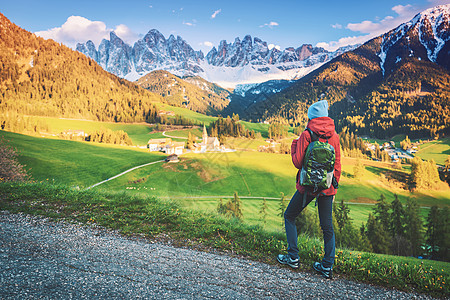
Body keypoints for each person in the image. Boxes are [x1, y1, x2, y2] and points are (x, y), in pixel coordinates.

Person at [277, 100, 341, 279]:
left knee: (290, 216)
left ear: (311, 117)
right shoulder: (334, 136)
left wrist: (293, 146)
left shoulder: (307, 134)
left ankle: (293, 257)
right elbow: (337, 165)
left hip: (307, 187)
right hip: (327, 188)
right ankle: (327, 266)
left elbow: (298, 162)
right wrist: (333, 188)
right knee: (327, 227)